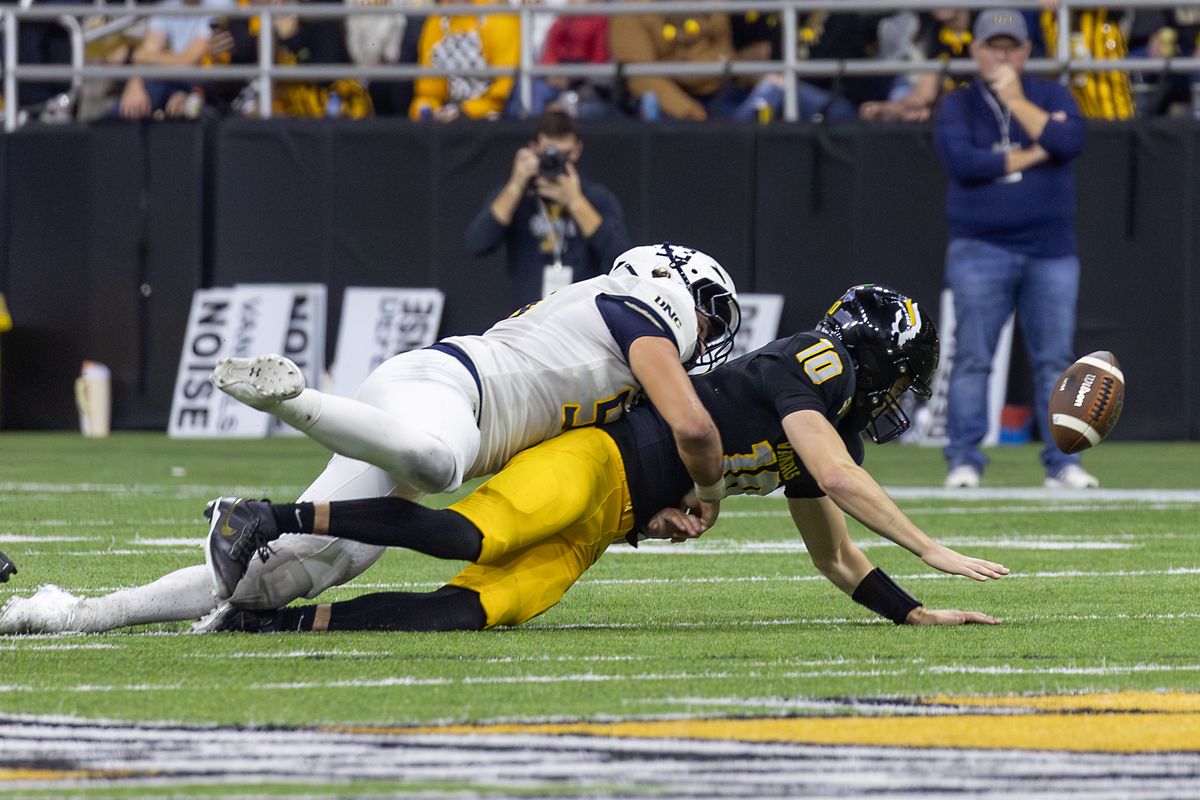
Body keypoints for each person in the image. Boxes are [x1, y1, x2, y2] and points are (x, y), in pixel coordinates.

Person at [0, 244, 741, 634]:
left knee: (280, 577)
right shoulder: (650, 304)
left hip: (434, 413)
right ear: (677, 283)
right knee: (440, 461)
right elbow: (694, 426)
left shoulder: (621, 347)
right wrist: (708, 493)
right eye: (712, 313)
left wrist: (647, 514)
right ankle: (291, 397)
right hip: (448, 393)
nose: (706, 334)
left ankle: (80, 611)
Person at [199, 284, 1006, 634]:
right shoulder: (809, 370)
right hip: (597, 462)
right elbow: (836, 476)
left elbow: (835, 556)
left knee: (474, 611)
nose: (900, 392)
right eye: (900, 375)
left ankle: (268, 622)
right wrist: (934, 549)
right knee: (469, 536)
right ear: (868, 359)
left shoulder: (828, 426)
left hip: (609, 523)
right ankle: (267, 516)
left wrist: (912, 611)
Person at [934, 9, 1097, 491]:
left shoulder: (1050, 93)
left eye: (1010, 47)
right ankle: (963, 458)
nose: (1000, 55)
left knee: (1055, 360)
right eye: (992, 46)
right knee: (973, 358)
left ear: (1025, 51)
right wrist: (1035, 149)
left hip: (1050, 248)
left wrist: (1016, 100)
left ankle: (1063, 462)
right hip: (979, 247)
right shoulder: (957, 104)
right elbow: (963, 162)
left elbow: (1070, 140)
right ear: (975, 49)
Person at [465, 110, 632, 307]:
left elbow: (622, 257)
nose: (556, 162)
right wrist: (516, 185)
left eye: (565, 155)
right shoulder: (517, 195)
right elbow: (477, 243)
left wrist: (575, 201)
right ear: (533, 149)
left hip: (583, 313)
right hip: (528, 315)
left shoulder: (594, 197)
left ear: (577, 150)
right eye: (549, 154)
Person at [118, 0, 233, 120]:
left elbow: (189, 62)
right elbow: (141, 56)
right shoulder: (166, 7)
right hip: (172, 78)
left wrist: (146, 56)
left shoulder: (220, 4)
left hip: (206, 82)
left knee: (191, 109)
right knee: (129, 106)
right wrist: (134, 85)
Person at [408, 0, 519, 121]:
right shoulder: (437, 19)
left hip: (489, 114)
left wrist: (464, 111)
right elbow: (429, 89)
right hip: (447, 111)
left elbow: (503, 88)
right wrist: (427, 110)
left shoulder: (500, 17)